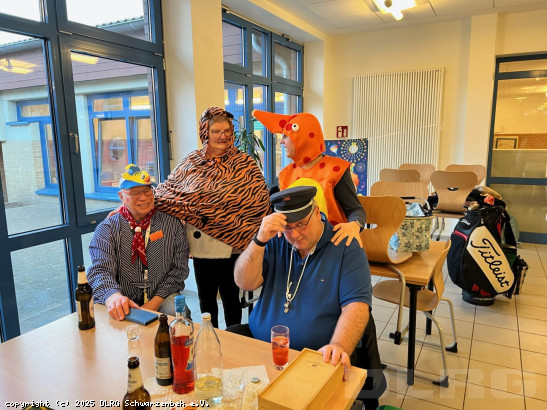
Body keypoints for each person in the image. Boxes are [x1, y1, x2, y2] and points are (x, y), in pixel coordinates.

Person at [229, 186, 385, 409]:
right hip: (263, 348)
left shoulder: (345, 246)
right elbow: (244, 282)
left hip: (315, 357)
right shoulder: (275, 240)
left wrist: (339, 344)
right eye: (287, 227)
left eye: (301, 224)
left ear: (316, 212)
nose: (295, 234)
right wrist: (259, 240)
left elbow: (356, 306)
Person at [153, 107, 270, 328]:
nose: (222, 136)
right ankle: (210, 335)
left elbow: (259, 200)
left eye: (226, 131)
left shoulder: (244, 162)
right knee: (206, 299)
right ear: (205, 132)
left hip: (234, 244)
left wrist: (227, 215)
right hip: (202, 246)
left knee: (231, 299)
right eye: (216, 131)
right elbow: (168, 192)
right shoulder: (191, 161)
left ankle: (234, 338)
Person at [88, 164, 190, 321]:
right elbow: (100, 270)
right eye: (135, 193)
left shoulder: (172, 224)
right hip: (123, 297)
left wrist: (153, 303)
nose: (144, 198)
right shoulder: (107, 229)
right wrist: (113, 295)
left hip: (161, 297)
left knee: (176, 310)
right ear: (121, 196)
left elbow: (179, 269)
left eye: (147, 191)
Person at [252, 110, 365, 247]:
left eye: (286, 136)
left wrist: (354, 225)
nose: (281, 141)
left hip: (332, 244)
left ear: (301, 137)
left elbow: (355, 209)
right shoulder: (286, 174)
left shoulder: (336, 170)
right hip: (297, 245)